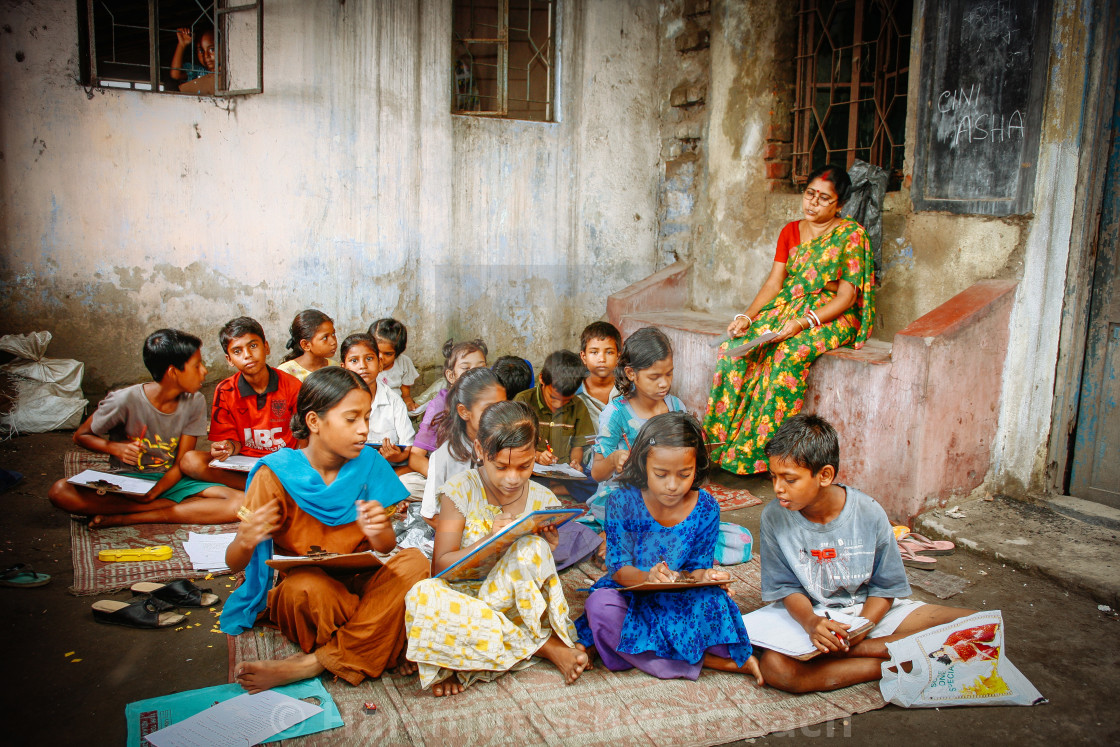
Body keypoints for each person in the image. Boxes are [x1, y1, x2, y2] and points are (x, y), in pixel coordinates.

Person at [220, 367, 430, 692]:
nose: (364, 430)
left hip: (364, 581)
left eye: (367, 418)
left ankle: (315, 662)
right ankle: (385, 639)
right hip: (315, 591)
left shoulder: (371, 464)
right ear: (314, 422)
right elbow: (235, 562)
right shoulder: (274, 475)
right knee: (304, 590)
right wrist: (245, 541)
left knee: (416, 562)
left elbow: (387, 547)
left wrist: (378, 533)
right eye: (351, 419)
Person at [757, 414, 974, 693]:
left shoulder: (868, 511)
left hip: (871, 614)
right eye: (773, 477)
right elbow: (786, 587)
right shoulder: (774, 516)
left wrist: (862, 629)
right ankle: (893, 663)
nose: (777, 488)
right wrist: (812, 624)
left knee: (973, 623)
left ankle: (853, 653)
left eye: (789, 479)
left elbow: (885, 588)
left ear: (824, 475)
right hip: (814, 615)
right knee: (777, 668)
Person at [404, 401, 590, 696]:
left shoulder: (543, 498)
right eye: (500, 466)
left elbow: (533, 580)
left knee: (532, 547)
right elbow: (440, 567)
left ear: (535, 454)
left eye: (524, 466)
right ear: (480, 451)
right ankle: (544, 646)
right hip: (463, 601)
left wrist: (547, 549)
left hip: (514, 606)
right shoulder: (460, 490)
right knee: (421, 596)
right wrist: (489, 540)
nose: (513, 478)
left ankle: (469, 657)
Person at [704, 164, 876, 475]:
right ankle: (716, 447)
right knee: (734, 351)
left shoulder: (851, 235)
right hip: (789, 306)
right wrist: (747, 316)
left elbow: (847, 297)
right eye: (810, 194)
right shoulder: (791, 231)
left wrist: (803, 323)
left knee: (786, 354)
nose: (813, 203)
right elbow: (774, 283)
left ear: (840, 204)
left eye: (824, 198)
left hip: (830, 315)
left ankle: (760, 456)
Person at [576, 412, 763, 684]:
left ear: (696, 467)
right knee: (600, 607)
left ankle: (647, 651)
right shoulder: (623, 501)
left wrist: (707, 578)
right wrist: (648, 578)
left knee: (716, 603)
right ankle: (707, 661)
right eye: (661, 474)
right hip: (631, 594)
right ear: (643, 464)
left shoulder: (706, 506)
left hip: (679, 598)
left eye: (684, 474)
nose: (673, 485)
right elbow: (618, 570)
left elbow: (697, 568)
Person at [48, 329, 242, 526]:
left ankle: (133, 515)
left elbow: (181, 462)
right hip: (128, 481)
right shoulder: (124, 400)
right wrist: (114, 448)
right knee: (60, 492)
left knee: (242, 503)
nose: (204, 371)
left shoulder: (195, 401)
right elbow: (81, 436)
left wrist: (154, 494)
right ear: (173, 372)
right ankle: (172, 506)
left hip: (172, 481)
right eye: (196, 366)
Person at [584, 327, 686, 534]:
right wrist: (613, 460)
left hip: (666, 494)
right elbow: (597, 473)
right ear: (631, 373)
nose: (664, 383)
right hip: (624, 497)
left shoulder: (676, 407)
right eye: (654, 376)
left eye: (669, 373)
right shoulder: (615, 414)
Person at [181, 317, 301, 491]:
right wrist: (226, 448)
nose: (247, 355)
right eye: (237, 351)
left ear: (266, 347)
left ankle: (269, 488)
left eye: (253, 346)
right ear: (229, 359)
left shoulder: (292, 385)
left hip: (282, 466)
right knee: (190, 461)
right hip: (244, 467)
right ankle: (267, 490)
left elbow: (303, 438)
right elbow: (233, 443)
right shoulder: (225, 390)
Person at [420, 367, 506, 526]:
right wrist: (471, 535)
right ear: (464, 411)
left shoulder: (507, 448)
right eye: (489, 409)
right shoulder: (444, 457)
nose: (498, 417)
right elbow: (431, 514)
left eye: (502, 408)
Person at [515, 350, 598, 503]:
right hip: (533, 470)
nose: (558, 405)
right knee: (514, 478)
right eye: (553, 397)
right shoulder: (524, 401)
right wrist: (537, 456)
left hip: (564, 472)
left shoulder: (578, 406)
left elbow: (578, 446)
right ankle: (552, 488)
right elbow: (514, 446)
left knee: (598, 480)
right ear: (541, 379)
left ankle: (551, 489)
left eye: (565, 401)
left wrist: (575, 464)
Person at [409, 338, 488, 478]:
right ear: (451, 376)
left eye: (480, 368)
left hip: (479, 475)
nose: (475, 374)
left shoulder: (491, 401)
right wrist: (441, 480)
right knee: (408, 483)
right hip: (444, 476)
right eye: (466, 368)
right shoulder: (439, 406)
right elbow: (416, 456)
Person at [339, 333, 415, 478]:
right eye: (354, 360)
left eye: (369, 359)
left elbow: (408, 447)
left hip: (388, 468)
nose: (362, 366)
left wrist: (395, 457)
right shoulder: (336, 401)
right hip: (350, 470)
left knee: (410, 481)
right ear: (344, 367)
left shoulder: (394, 401)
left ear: (380, 364)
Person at [575, 321, 622, 428]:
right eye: (594, 352)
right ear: (583, 357)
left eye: (609, 352)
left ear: (618, 357)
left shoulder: (629, 392)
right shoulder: (574, 395)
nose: (602, 359)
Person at [369, 318, 419, 410]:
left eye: (388, 354)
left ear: (397, 353)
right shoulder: (364, 364)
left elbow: (406, 395)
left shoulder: (404, 363)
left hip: (395, 408)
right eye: (376, 350)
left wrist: (408, 403)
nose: (380, 357)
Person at [277, 310, 338, 382]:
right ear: (306, 345)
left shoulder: (335, 367)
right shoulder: (286, 372)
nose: (333, 342)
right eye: (325, 338)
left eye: (333, 334)